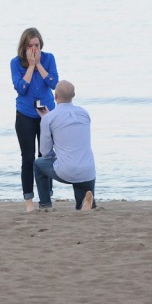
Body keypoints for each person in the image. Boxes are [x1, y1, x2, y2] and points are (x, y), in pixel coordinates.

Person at [10, 28, 59, 212]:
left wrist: (39, 65)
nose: (34, 49)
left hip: (46, 113)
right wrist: (30, 66)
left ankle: (46, 199)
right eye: (30, 46)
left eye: (36, 45)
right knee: (28, 158)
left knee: (46, 156)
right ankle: (29, 201)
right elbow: (21, 88)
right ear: (24, 46)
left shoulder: (49, 58)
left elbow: (54, 83)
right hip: (25, 114)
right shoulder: (15, 63)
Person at [34, 80, 96, 211]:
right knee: (82, 201)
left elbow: (45, 152)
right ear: (74, 94)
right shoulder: (84, 113)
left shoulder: (49, 118)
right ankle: (85, 202)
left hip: (66, 171)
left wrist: (46, 119)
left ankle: (45, 205)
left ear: (55, 96)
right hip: (88, 170)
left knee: (38, 164)